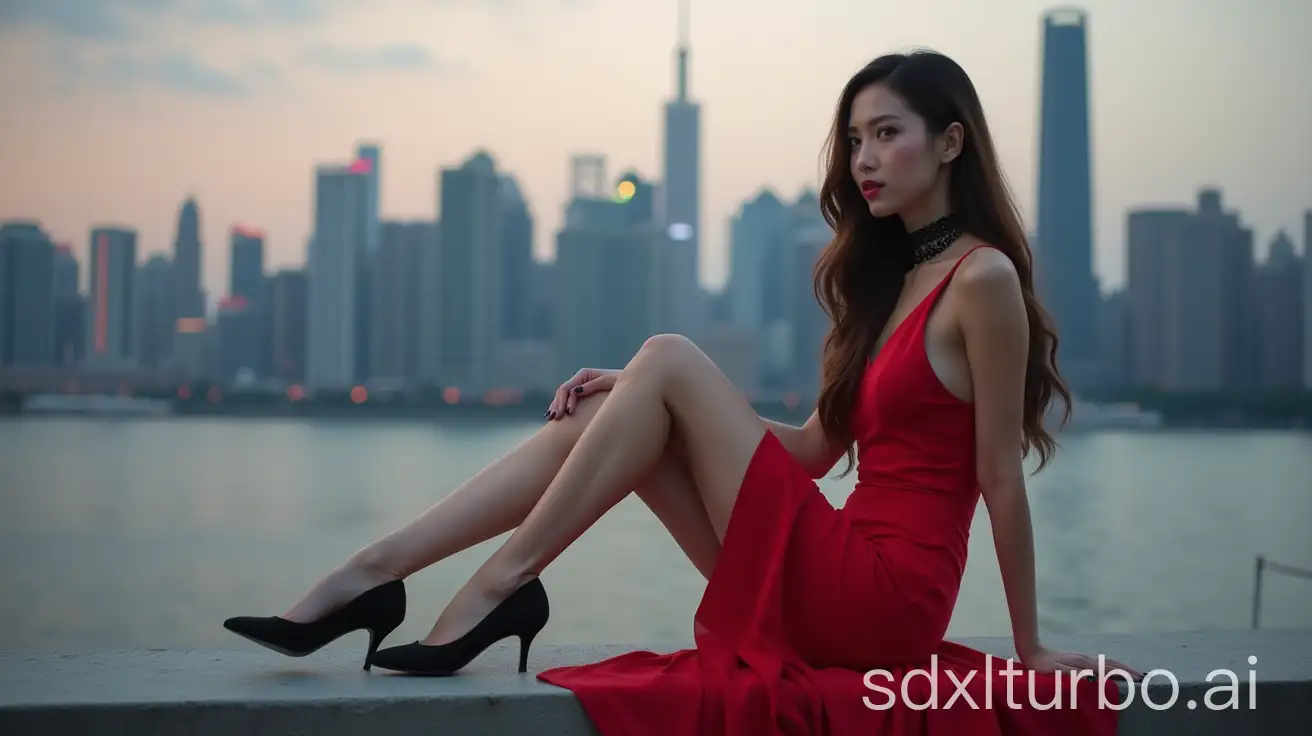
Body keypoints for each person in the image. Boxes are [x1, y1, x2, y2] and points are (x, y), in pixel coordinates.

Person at [224, 49, 1143, 733]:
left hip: (884, 602)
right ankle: (372, 574)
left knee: (663, 353)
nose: (864, 158)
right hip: (831, 571)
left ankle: (501, 579)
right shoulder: (890, 283)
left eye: (887, 134)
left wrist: (1027, 646)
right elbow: (815, 453)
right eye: (855, 139)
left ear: (950, 143)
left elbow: (999, 478)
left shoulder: (980, 281)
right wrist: (641, 394)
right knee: (604, 403)